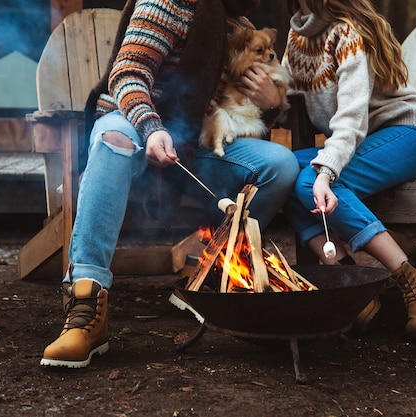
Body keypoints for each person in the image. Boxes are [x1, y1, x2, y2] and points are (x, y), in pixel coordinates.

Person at [40, 0, 299, 368]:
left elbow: (241, 108)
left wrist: (272, 104)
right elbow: (128, 73)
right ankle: (87, 303)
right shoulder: (166, 4)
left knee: (281, 165)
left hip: (191, 145)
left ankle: (211, 273)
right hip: (134, 122)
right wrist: (152, 127)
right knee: (114, 139)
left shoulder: (239, 26)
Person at [281, 0, 416, 339]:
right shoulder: (297, 39)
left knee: (308, 180)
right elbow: (281, 99)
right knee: (281, 174)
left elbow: (351, 119)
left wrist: (326, 173)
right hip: (362, 145)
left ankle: (415, 278)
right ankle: (347, 283)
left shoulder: (348, 32)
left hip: (409, 137)